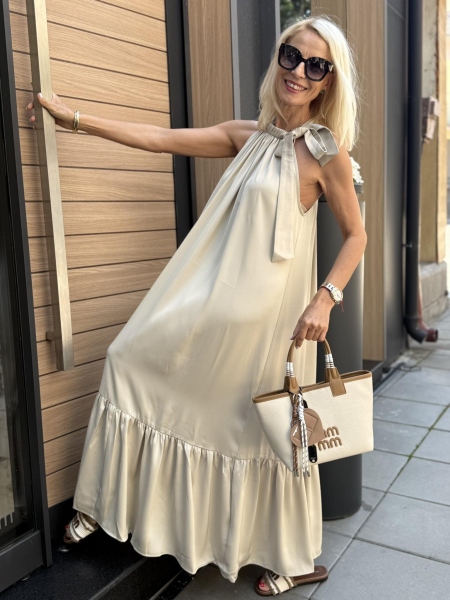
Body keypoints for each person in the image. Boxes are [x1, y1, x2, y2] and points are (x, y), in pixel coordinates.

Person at [26, 14, 366, 597]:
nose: (299, 72)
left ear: (328, 81)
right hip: (213, 301)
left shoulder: (326, 152)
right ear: (278, 58)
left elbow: (356, 236)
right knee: (129, 360)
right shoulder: (247, 136)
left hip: (270, 322)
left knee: (259, 432)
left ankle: (293, 556)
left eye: (316, 65)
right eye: (291, 55)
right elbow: (160, 139)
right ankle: (104, 505)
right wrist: (75, 118)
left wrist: (325, 298)